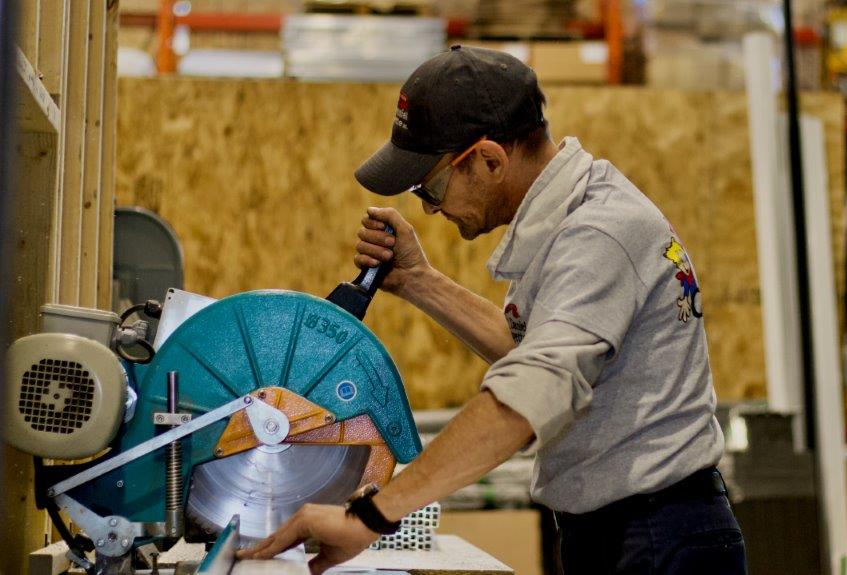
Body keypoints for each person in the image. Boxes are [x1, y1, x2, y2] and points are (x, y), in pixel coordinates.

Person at [239, 45, 747, 575]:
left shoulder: (598, 233)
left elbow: (530, 393)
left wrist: (371, 517)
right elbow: (532, 352)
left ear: (490, 159)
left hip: (659, 535)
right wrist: (418, 281)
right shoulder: (570, 221)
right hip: (623, 530)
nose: (429, 207)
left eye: (431, 185)